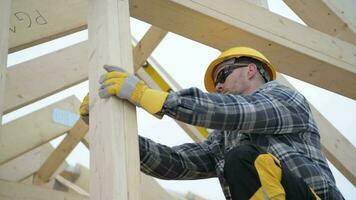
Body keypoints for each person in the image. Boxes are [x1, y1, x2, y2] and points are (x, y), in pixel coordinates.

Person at [80, 47, 344, 200]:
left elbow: (240, 113)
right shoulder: (225, 139)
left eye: (223, 75)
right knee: (237, 157)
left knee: (243, 158)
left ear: (250, 69)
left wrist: (153, 98)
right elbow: (178, 162)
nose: (218, 86)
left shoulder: (285, 98)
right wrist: (111, 131)